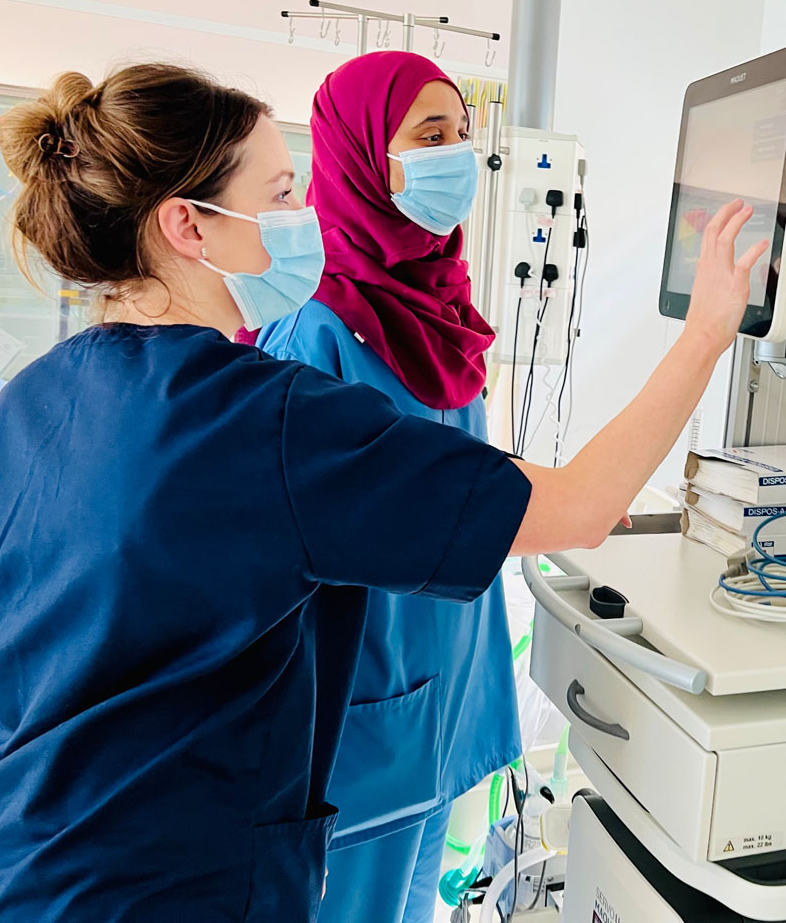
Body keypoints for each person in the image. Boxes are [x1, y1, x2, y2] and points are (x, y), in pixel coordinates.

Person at [0, 62, 763, 923]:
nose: (303, 217)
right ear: (187, 224)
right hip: (146, 884)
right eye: (282, 192)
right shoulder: (266, 414)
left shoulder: (26, 402)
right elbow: (581, 508)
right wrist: (706, 332)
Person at [251, 51, 511, 923]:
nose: (454, 158)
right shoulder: (316, 329)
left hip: (444, 671)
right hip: (365, 692)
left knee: (415, 899)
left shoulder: (444, 306)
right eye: (428, 136)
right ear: (359, 156)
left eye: (463, 136)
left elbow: (448, 460)